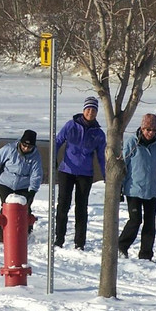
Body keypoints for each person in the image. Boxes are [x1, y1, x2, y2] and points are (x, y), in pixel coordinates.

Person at [117, 113, 156, 261]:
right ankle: (121, 246)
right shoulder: (132, 142)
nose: (150, 133)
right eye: (148, 129)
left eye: (153, 130)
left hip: (151, 191)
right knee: (135, 220)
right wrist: (119, 188)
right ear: (142, 128)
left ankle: (146, 254)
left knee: (150, 224)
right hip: (134, 189)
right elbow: (123, 165)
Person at [53, 96, 107, 250]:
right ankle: (59, 239)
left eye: (94, 110)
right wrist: (54, 159)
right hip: (67, 171)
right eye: (88, 109)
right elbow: (57, 141)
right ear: (83, 110)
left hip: (85, 174)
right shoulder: (71, 125)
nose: (90, 112)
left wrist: (105, 176)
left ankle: (79, 242)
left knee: (81, 207)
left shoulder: (98, 133)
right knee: (63, 205)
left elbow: (102, 157)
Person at [0, 130, 44, 238]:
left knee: (25, 208)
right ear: (20, 142)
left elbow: (36, 174)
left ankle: (25, 234)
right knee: (7, 207)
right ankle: (4, 235)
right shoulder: (9, 149)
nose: (26, 148)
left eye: (29, 147)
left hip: (23, 186)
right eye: (24, 145)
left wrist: (33, 190)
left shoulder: (35, 156)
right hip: (5, 183)